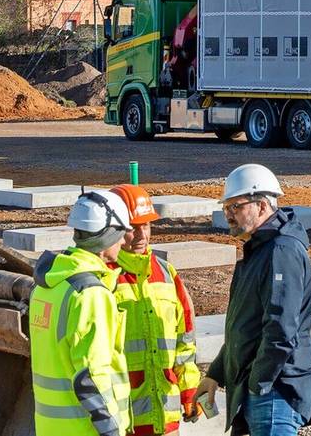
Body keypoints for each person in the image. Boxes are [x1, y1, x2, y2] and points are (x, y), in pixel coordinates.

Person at [195, 164, 311, 436]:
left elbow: (280, 331)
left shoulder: (281, 251)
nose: (228, 215)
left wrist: (258, 383)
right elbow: (247, 326)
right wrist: (216, 374)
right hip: (262, 392)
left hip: (275, 392)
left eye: (235, 207)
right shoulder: (260, 248)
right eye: (226, 208)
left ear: (262, 206)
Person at [28, 188, 132, 436]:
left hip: (50, 427)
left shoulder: (47, 286)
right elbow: (91, 375)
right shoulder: (91, 294)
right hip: (85, 428)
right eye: (121, 234)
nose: (125, 241)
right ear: (106, 236)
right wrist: (111, 430)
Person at [107, 184, 202, 435]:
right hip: (123, 418)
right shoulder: (105, 278)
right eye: (132, 228)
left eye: (146, 225)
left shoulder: (166, 274)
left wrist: (189, 389)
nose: (141, 235)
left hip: (165, 413)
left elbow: (185, 339)